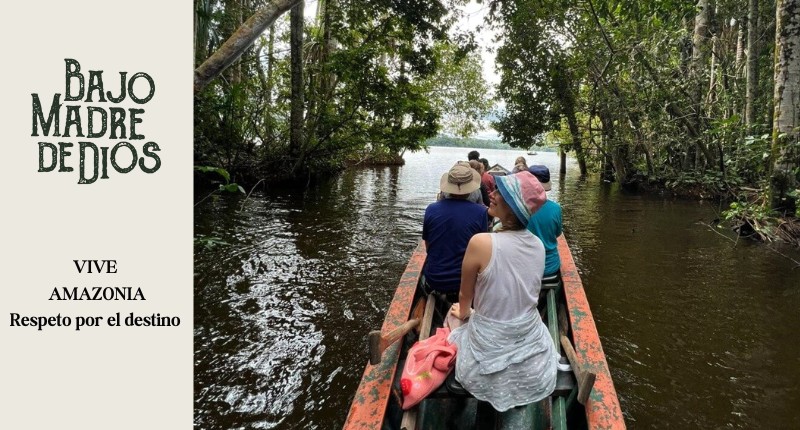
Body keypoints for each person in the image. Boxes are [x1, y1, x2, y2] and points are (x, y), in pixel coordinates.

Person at [448, 171, 557, 412]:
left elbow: (465, 296)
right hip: (526, 331)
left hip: (491, 338)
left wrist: (463, 312)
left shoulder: (480, 242)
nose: (492, 193)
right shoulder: (537, 245)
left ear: (513, 207)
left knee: (454, 315)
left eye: (500, 193)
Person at [423, 164, 489, 299]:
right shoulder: (481, 212)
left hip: (434, 279)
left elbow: (428, 247)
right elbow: (482, 251)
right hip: (465, 283)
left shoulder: (431, 209)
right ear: (471, 189)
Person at [526, 165, 562, 278]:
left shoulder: (519, 207)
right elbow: (557, 234)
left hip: (525, 267)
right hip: (550, 266)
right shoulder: (556, 208)